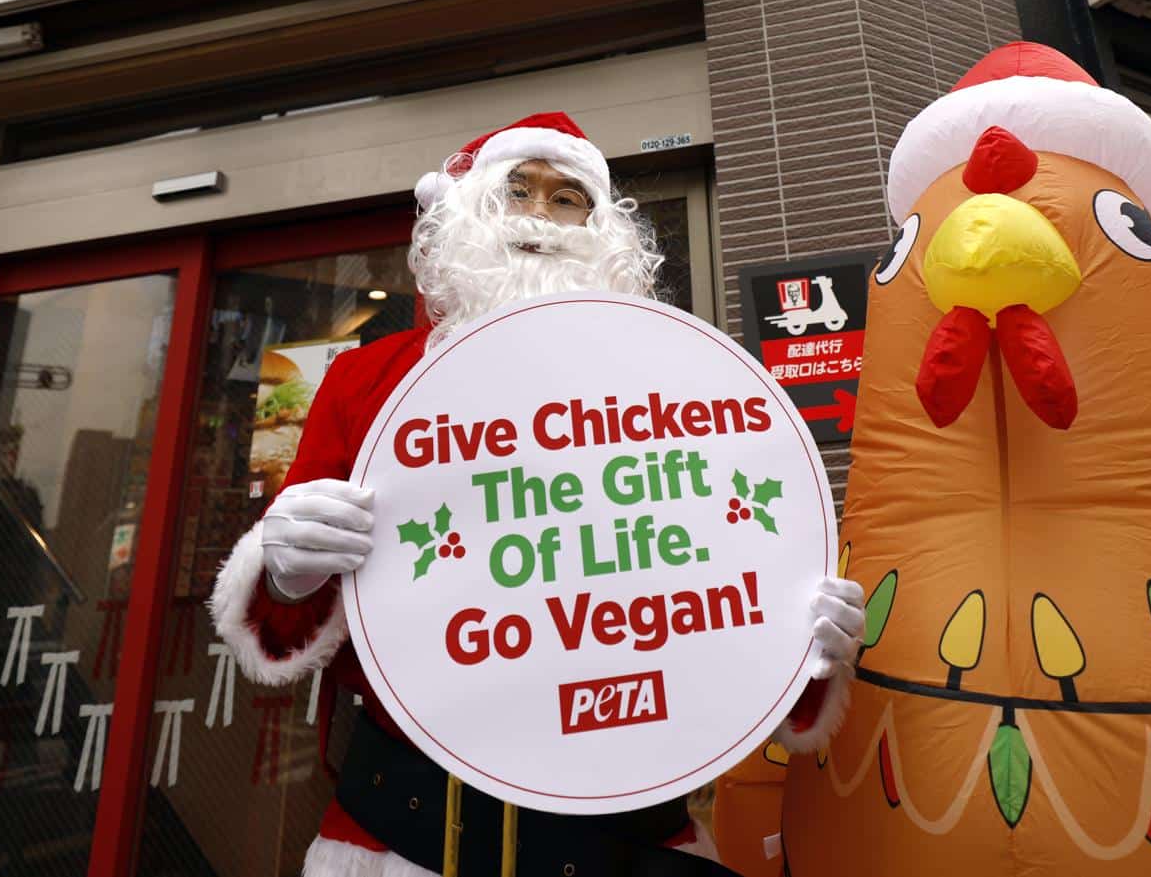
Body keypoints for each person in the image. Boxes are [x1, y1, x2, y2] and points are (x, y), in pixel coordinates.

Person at [210, 112, 865, 877]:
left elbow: (718, 619)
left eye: (566, 199)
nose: (540, 218)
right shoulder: (369, 382)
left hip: (626, 838)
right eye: (516, 191)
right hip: (409, 841)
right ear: (469, 212)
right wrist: (287, 569)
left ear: (602, 229)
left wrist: (797, 649)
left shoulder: (676, 388)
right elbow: (280, 631)